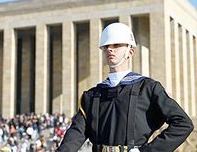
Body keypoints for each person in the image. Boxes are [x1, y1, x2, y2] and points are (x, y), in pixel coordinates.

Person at [57, 23, 194, 151]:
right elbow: (75, 135)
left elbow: (183, 124)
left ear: (130, 52)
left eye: (116, 45)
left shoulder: (147, 89)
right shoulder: (92, 95)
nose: (110, 49)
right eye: (106, 46)